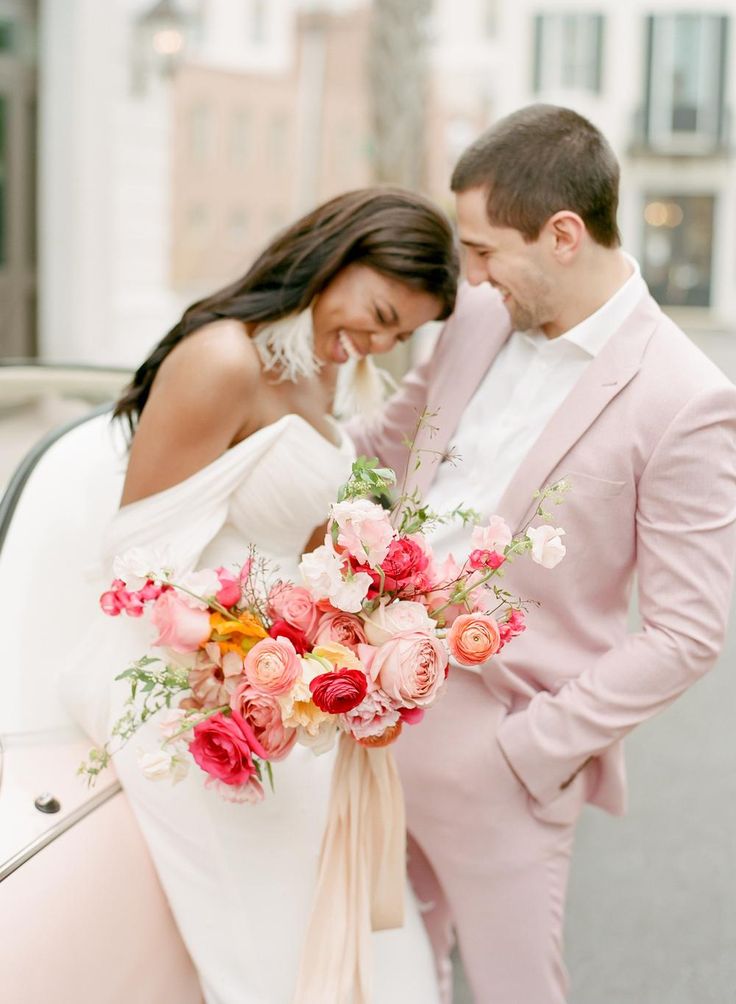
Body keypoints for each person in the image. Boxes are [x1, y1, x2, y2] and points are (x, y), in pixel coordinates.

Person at [350, 105, 736, 1003]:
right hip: (368, 714)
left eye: (485, 251)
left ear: (563, 234)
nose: (470, 275)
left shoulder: (689, 400)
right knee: (384, 975)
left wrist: (528, 751)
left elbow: (689, 631)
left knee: (517, 989)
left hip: (503, 755)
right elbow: (379, 450)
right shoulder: (480, 318)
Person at [63, 187, 459, 1004]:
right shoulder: (223, 359)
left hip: (274, 681)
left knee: (337, 874)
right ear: (336, 254)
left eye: (401, 333)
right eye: (380, 311)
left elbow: (301, 537)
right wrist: (239, 656)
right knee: (273, 921)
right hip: (178, 678)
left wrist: (364, 614)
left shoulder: (329, 370)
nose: (379, 342)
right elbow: (135, 559)